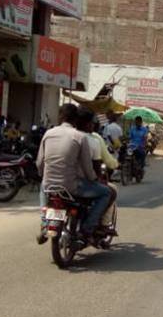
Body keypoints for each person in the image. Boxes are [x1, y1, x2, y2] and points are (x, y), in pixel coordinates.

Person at [35, 103, 111, 244]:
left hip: (49, 184)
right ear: (75, 119)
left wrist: (43, 176)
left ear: (60, 117)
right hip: (72, 186)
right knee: (106, 192)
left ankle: (45, 223)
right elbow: (87, 167)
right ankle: (87, 229)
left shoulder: (48, 133)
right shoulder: (80, 137)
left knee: (43, 187)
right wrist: (94, 180)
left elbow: (40, 162)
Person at [76, 108, 118, 233]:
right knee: (109, 191)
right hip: (80, 183)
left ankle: (44, 222)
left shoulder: (63, 135)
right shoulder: (94, 139)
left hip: (56, 181)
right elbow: (98, 166)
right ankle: (94, 225)